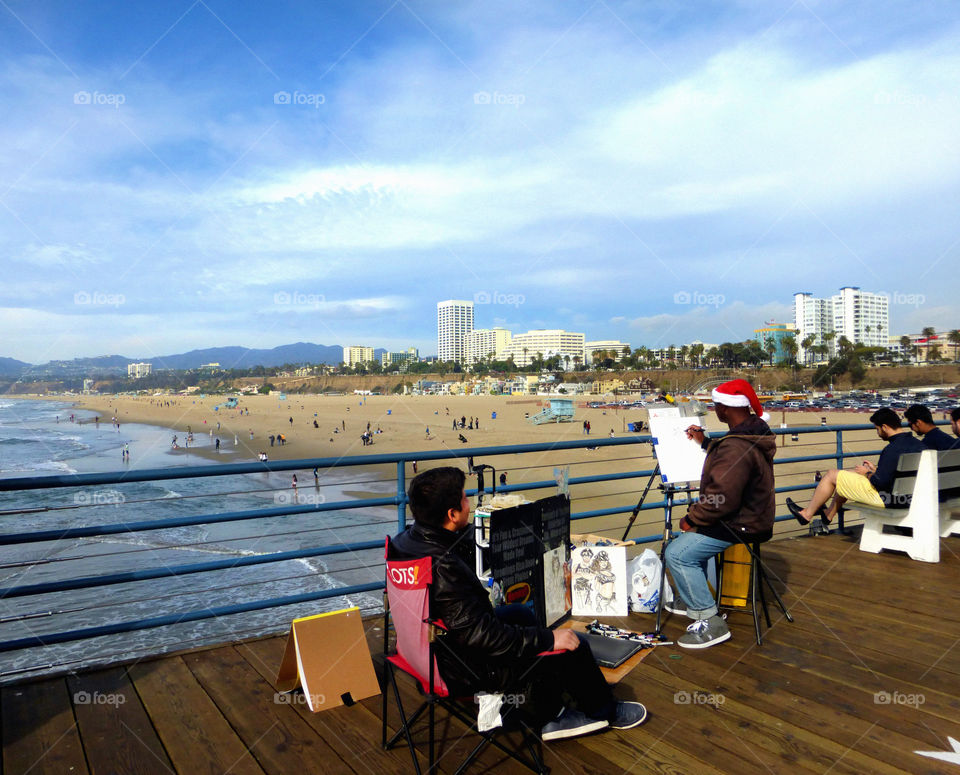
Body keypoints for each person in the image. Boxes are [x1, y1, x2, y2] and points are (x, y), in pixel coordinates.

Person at [390, 467, 647, 740]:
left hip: (420, 655)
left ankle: (551, 709)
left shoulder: (404, 543)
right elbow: (482, 637)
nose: (470, 504)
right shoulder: (445, 566)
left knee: (518, 612)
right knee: (573, 643)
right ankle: (604, 711)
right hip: (460, 671)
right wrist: (549, 640)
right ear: (452, 514)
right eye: (465, 500)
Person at [665, 379, 776, 649]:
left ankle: (710, 621)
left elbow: (721, 500)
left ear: (725, 408)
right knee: (687, 543)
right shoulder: (751, 434)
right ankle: (692, 597)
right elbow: (733, 466)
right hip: (750, 517)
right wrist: (706, 444)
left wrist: (691, 519)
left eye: (715, 405)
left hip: (741, 523)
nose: (714, 409)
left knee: (676, 553)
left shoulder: (736, 446)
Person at [787, 407, 926, 524]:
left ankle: (806, 514)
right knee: (846, 477)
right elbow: (897, 474)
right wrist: (875, 470)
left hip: (888, 499)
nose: (878, 433)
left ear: (884, 427)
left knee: (831, 475)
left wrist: (866, 473)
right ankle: (828, 514)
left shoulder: (892, 449)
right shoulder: (918, 445)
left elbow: (881, 482)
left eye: (877, 429)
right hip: (909, 497)